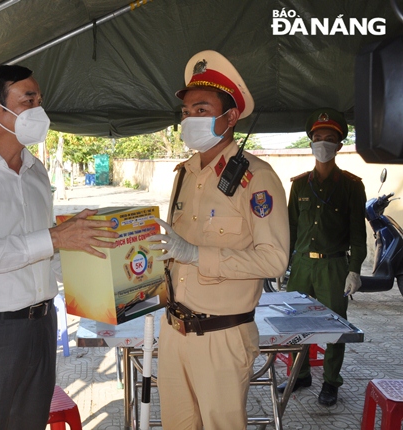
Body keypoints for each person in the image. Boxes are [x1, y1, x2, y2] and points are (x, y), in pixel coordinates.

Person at [0, 64, 118, 430]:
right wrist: (56, 238)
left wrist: (99, 255)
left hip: (42, 327)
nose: (38, 109)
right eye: (28, 99)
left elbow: (42, 252)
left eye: (39, 100)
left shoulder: (36, 172)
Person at [147, 50, 289, 429]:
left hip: (222, 336)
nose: (190, 118)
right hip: (174, 331)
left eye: (201, 109)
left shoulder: (257, 178)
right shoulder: (184, 174)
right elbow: (173, 255)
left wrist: (196, 254)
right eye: (187, 111)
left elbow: (274, 260)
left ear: (230, 117)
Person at [277, 108, 367, 406]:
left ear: (340, 145)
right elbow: (290, 226)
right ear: (311, 142)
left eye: (330, 139)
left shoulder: (352, 186)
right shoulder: (300, 184)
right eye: (318, 138)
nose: (323, 143)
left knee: (335, 328)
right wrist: (282, 260)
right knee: (295, 325)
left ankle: (331, 382)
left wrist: (354, 270)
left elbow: (358, 233)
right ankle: (300, 376)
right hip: (302, 264)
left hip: (333, 265)